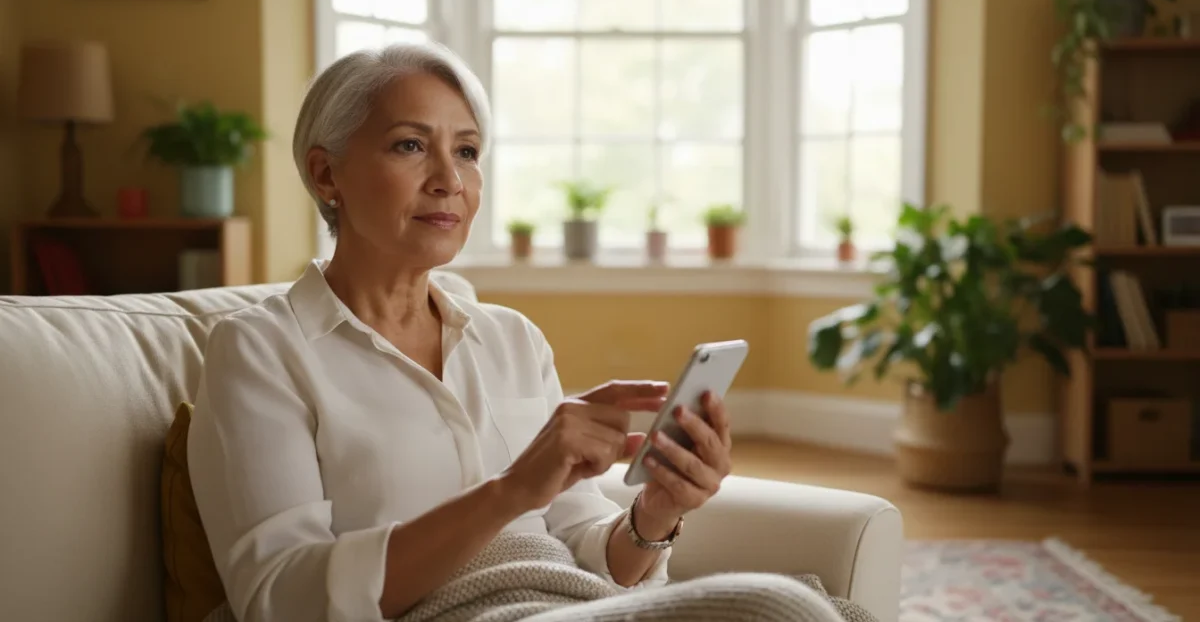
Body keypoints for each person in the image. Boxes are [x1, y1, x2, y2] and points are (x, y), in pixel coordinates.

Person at [188, 42, 847, 622]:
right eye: (411, 145)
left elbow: (586, 544)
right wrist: (509, 492)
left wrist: (657, 512)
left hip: (563, 602)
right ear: (326, 173)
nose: (450, 181)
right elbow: (278, 600)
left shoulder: (512, 339)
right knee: (778, 609)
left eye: (467, 151)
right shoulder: (259, 350)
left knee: (842, 612)